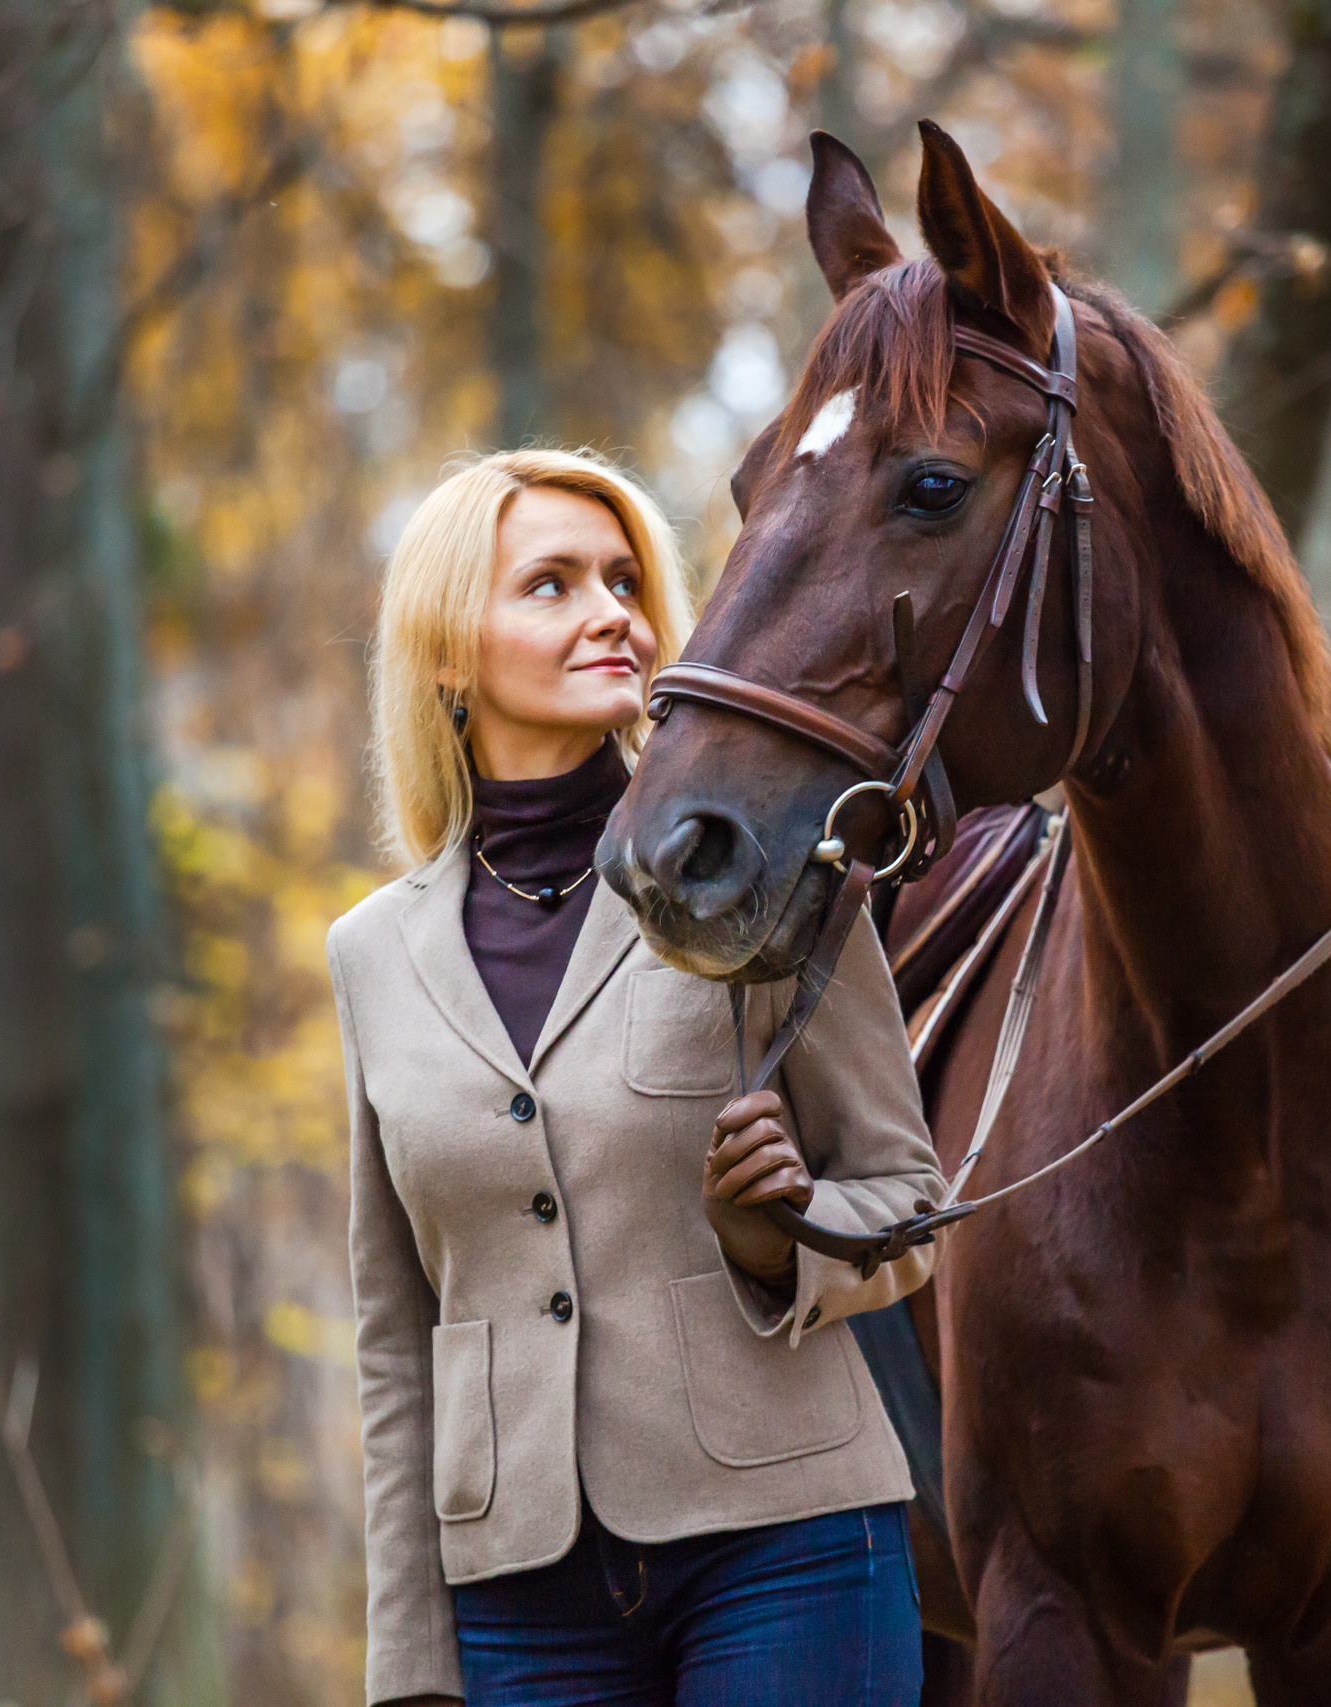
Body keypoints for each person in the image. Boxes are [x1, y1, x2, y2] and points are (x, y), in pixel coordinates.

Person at [327, 447, 942, 1707]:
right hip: (516, 1600)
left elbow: (905, 1198)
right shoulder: (371, 954)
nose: (612, 612)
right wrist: (409, 1666)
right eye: (550, 584)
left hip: (790, 1551)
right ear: (447, 653)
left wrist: (780, 1239)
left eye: (623, 581)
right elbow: (396, 1340)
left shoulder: (762, 871)